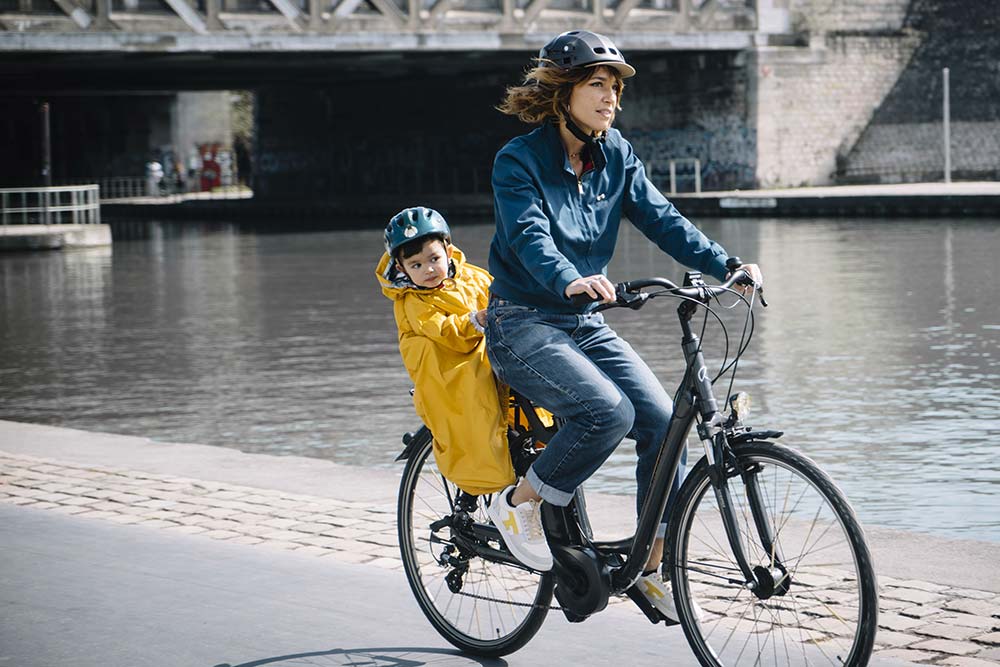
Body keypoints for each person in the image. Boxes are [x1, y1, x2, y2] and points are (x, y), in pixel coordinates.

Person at [482, 30, 764, 619]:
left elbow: (664, 220)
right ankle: (519, 502)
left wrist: (727, 265)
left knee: (662, 423)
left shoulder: (618, 155)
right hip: (523, 321)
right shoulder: (518, 161)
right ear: (563, 93)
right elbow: (529, 237)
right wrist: (569, 278)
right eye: (597, 85)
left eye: (614, 87)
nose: (611, 98)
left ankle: (650, 565)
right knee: (607, 411)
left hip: (582, 319)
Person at [376, 206, 516, 496]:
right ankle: (499, 488)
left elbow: (503, 296)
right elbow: (443, 331)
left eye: (434, 259)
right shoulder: (412, 302)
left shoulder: (474, 277)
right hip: (456, 367)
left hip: (495, 353)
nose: (428, 270)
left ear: (449, 251)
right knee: (479, 415)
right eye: (415, 265)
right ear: (401, 269)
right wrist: (474, 320)